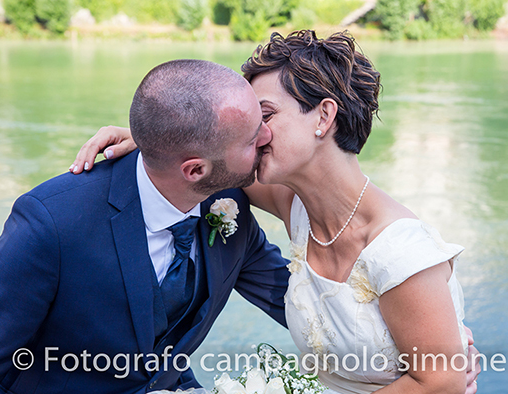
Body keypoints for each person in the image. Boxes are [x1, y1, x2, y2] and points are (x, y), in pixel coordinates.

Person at [71, 31, 481, 394]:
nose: (254, 133)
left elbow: (441, 383)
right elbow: (211, 159)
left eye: (265, 116)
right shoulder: (296, 206)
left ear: (324, 116)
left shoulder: (399, 250)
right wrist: (153, 142)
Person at [0, 60, 291, 393]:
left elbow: (297, 304)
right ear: (194, 170)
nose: (267, 136)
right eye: (251, 140)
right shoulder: (51, 223)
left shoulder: (228, 204)